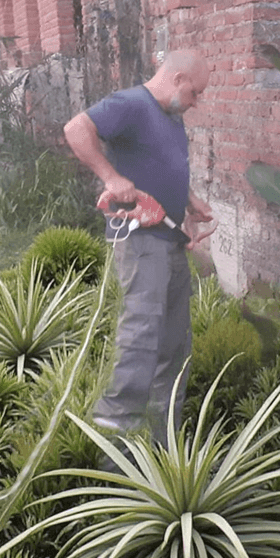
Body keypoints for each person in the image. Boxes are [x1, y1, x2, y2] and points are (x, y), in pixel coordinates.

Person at [63, 49, 214, 445]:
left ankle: (165, 440)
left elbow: (162, 163)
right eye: (195, 92)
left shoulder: (169, 117)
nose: (196, 102)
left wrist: (190, 199)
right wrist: (111, 178)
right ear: (178, 78)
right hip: (140, 238)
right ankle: (115, 441)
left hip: (169, 238)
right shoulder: (131, 104)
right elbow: (76, 129)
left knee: (175, 342)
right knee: (143, 333)